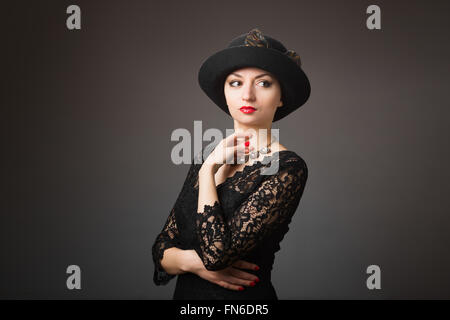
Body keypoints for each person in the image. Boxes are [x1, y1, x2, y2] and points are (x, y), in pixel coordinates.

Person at [151, 28, 311, 300]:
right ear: (225, 93)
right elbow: (161, 249)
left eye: (263, 83)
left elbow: (216, 255)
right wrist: (191, 263)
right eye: (235, 83)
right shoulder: (208, 158)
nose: (247, 95)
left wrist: (207, 175)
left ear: (281, 96)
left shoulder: (287, 167)